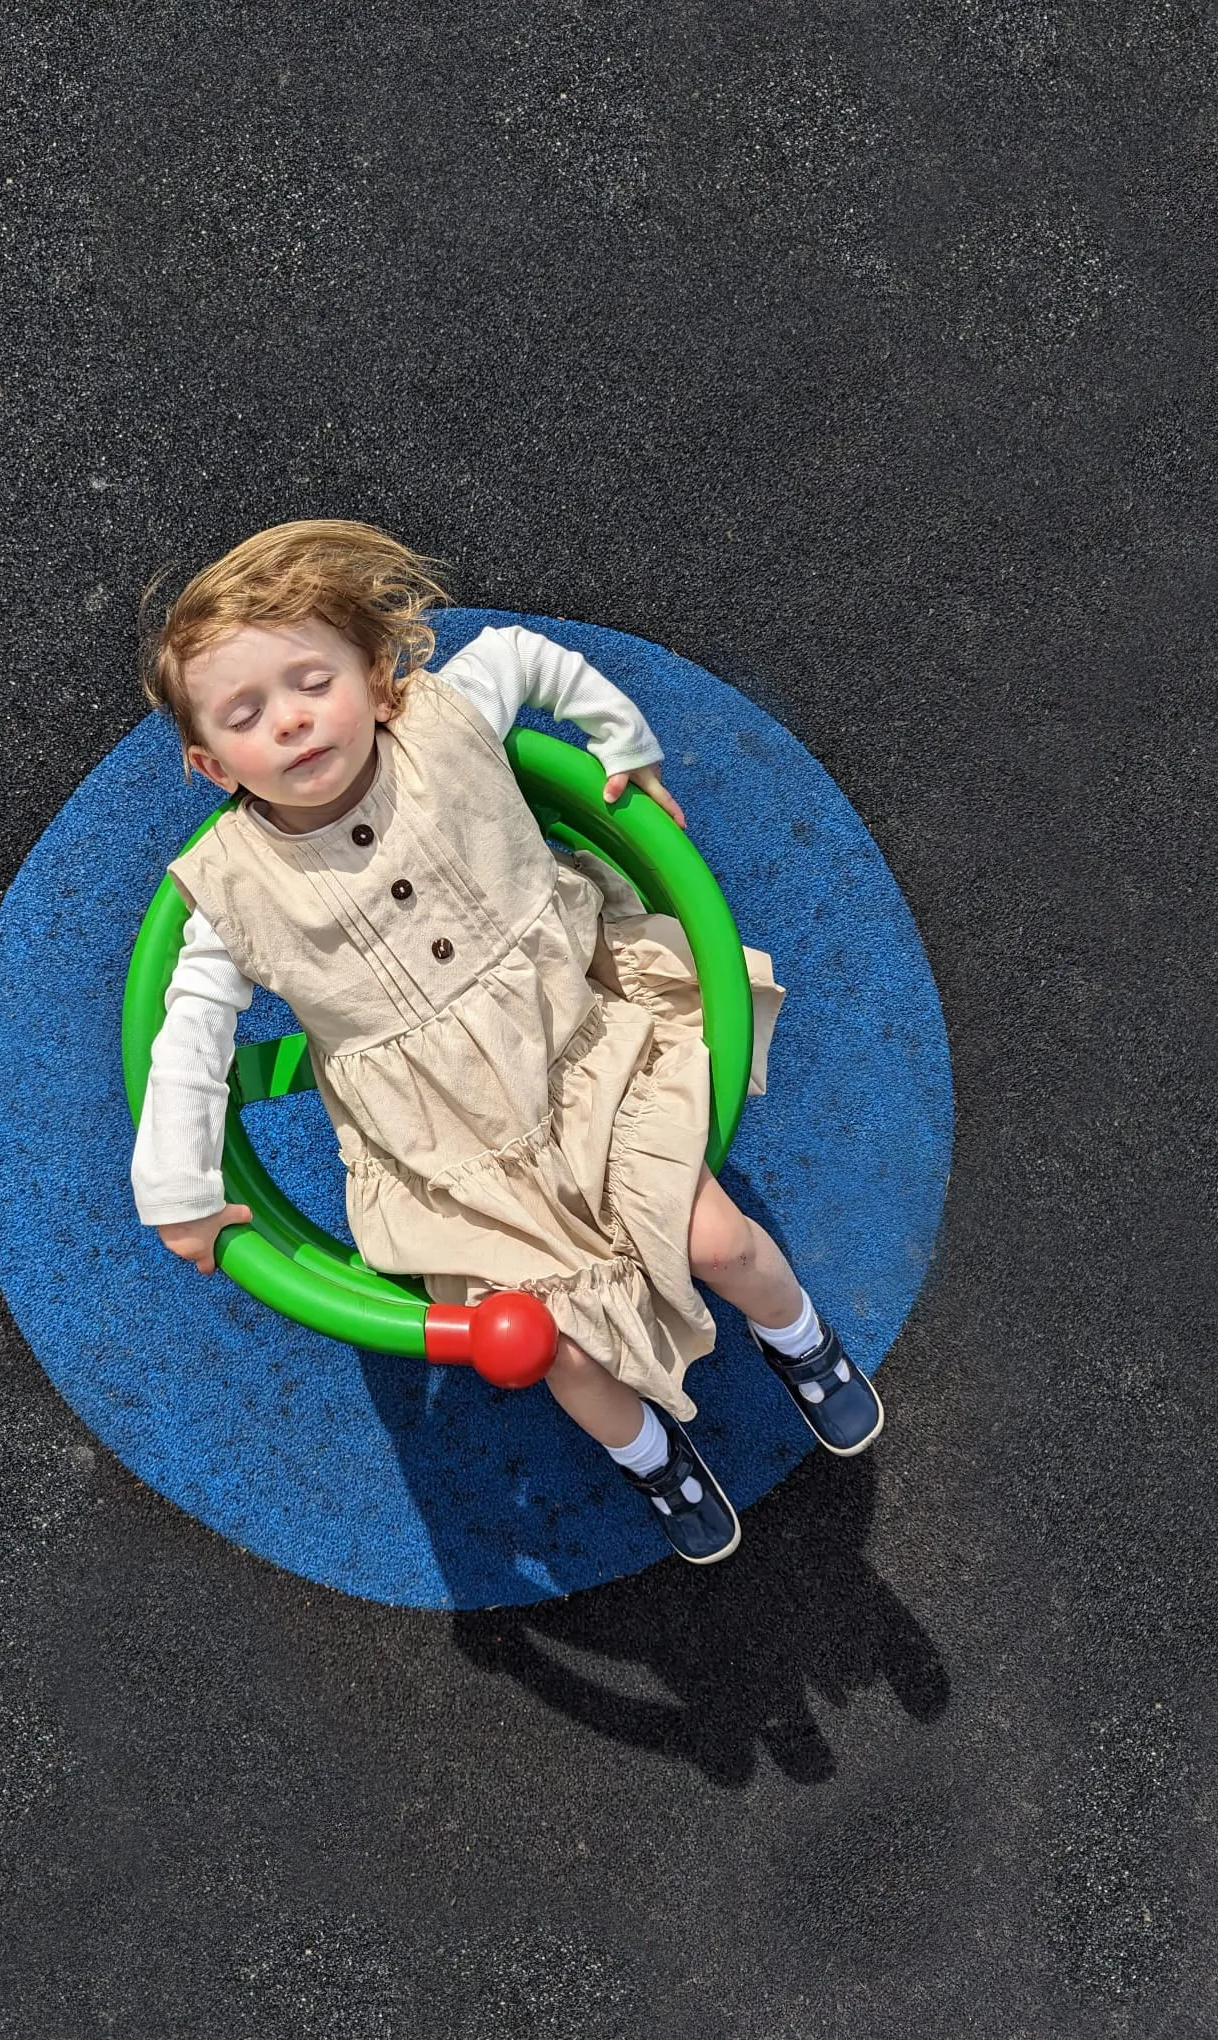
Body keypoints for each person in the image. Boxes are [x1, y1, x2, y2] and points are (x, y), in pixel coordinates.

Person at [130, 519, 882, 1565]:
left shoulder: (442, 726)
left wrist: (623, 742)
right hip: (451, 1161)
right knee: (554, 1353)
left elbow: (530, 660)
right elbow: (187, 1038)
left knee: (719, 1242)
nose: (293, 723)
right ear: (213, 765)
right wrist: (178, 1191)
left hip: (591, 1062)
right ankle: (650, 1457)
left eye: (312, 683)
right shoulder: (230, 896)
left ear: (379, 680)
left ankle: (800, 1340)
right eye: (250, 715)